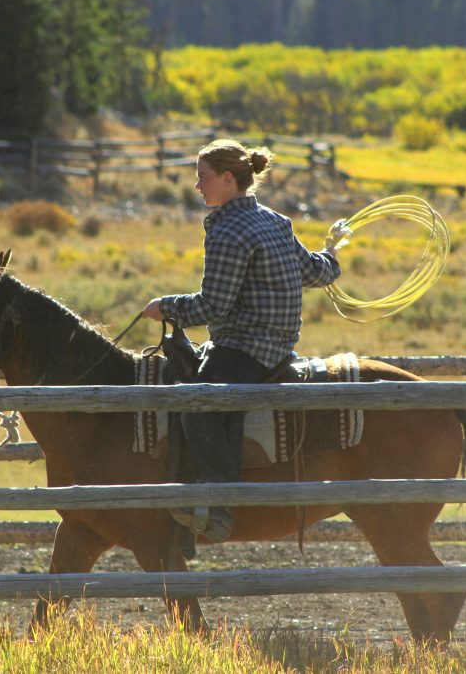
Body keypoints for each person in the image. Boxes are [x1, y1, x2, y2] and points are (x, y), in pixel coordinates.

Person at [141, 138, 343, 542]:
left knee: (195, 408)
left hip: (245, 347)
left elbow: (212, 306)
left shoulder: (229, 230)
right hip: (279, 348)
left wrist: (165, 307)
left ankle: (219, 507)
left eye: (203, 177)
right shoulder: (275, 221)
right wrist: (332, 255)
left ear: (228, 179)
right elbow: (315, 273)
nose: (198, 186)